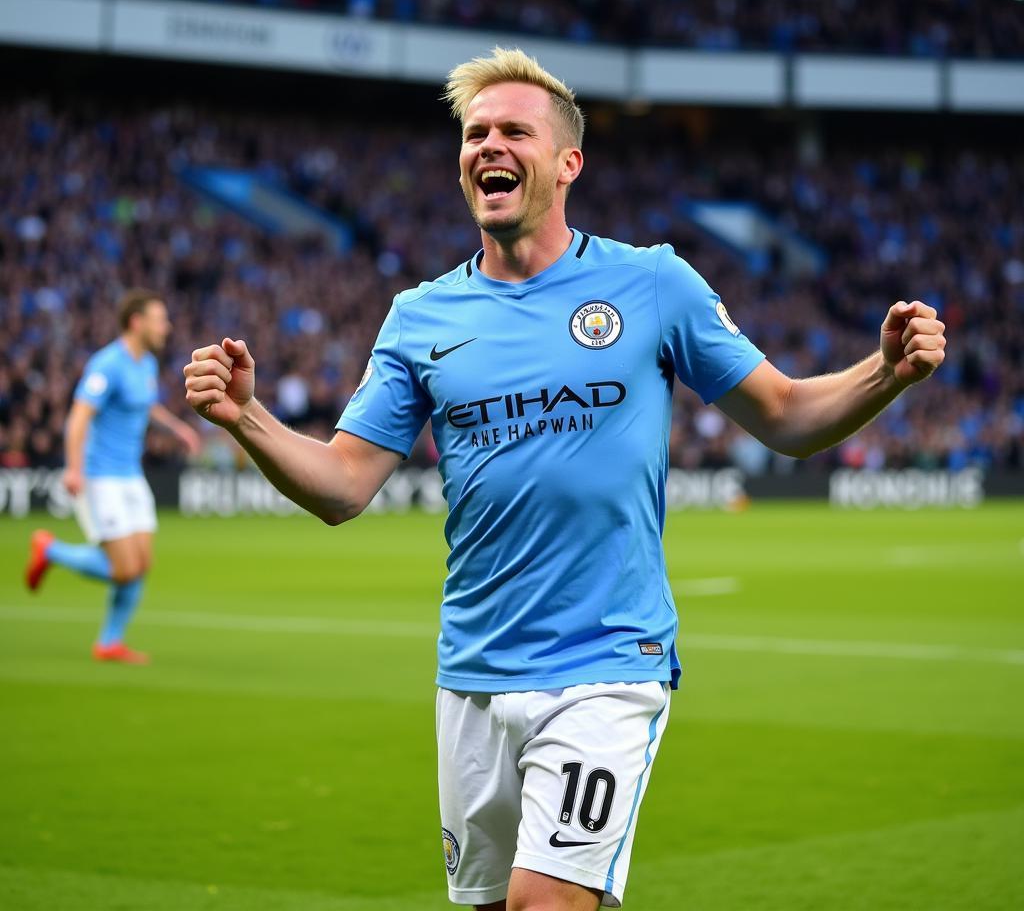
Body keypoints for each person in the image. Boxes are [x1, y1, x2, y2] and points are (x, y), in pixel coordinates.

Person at [182, 48, 946, 911]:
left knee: (544, 901)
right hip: (471, 670)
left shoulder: (651, 282)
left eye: (514, 130)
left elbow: (786, 417)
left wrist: (883, 374)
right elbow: (344, 485)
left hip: (607, 662)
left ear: (568, 162)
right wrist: (246, 419)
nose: (488, 146)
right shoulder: (419, 317)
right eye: (475, 133)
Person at [25, 288, 200, 664]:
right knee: (124, 568)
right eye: (159, 320)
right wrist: (74, 469)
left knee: (141, 565)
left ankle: (109, 643)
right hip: (100, 476)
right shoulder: (107, 363)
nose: (166, 327)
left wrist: (177, 429)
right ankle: (49, 550)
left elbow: (146, 405)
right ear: (136, 322)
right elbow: (78, 418)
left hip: (130, 476)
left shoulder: (145, 364)